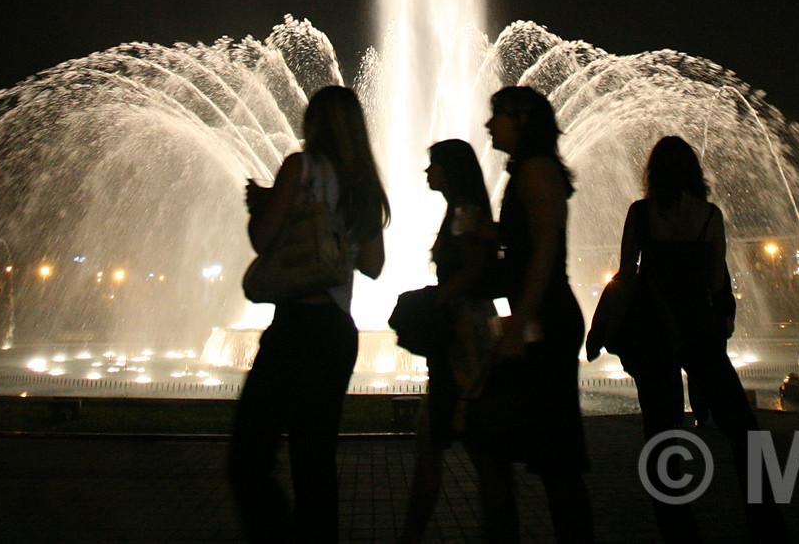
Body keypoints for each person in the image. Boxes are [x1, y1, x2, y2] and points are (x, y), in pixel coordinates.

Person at [228, 83, 388, 543]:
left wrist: (262, 207)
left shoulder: (300, 168)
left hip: (296, 324)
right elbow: (374, 267)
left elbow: (262, 240)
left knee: (249, 455)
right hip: (338, 330)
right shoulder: (364, 186)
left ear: (314, 123)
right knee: (314, 460)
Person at [617, 135, 783, 543]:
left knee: (661, 432)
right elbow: (716, 281)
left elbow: (625, 277)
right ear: (694, 173)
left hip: (653, 332)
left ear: (652, 174)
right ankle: (764, 523)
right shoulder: (709, 216)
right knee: (744, 429)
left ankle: (678, 531)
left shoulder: (640, 214)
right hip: (698, 330)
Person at [476, 85, 593, 544]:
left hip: (546, 317)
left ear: (522, 119)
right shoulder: (529, 171)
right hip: (538, 315)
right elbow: (527, 243)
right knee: (543, 451)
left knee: (556, 455)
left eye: (497, 115)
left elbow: (545, 252)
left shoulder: (537, 171)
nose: (490, 124)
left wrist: (519, 322)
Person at [399, 139, 499, 544]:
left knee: (460, 446)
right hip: (466, 335)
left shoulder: (463, 212)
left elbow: (474, 269)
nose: (427, 172)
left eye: (433, 165)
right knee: (467, 447)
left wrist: (434, 300)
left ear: (451, 170)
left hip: (464, 339)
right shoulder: (461, 210)